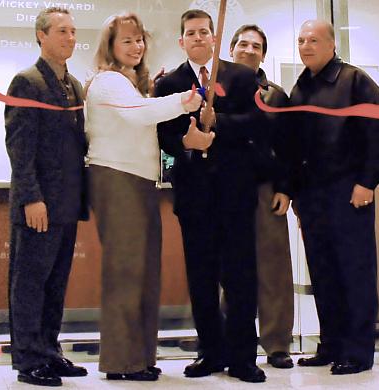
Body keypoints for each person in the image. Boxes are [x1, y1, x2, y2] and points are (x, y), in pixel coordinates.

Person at [85, 12, 201, 382]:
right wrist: (184, 100)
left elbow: (143, 109)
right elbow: (139, 116)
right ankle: (122, 361)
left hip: (137, 183)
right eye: (127, 41)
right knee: (126, 274)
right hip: (117, 180)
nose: (136, 47)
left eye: (139, 40)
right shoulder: (107, 82)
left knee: (145, 274)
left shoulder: (131, 83)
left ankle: (140, 356)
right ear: (111, 46)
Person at [155, 9, 265, 383]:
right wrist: (185, 142)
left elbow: (257, 124)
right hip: (195, 197)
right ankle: (210, 352)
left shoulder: (242, 76)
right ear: (181, 40)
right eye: (191, 33)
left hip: (235, 194)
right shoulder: (168, 82)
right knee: (201, 278)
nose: (199, 37)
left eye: (204, 31)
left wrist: (219, 123)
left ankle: (243, 358)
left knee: (240, 278)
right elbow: (162, 135)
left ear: (214, 37)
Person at [290, 20, 379, 374]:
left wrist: (366, 182)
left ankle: (356, 352)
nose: (306, 46)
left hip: (350, 193)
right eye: (302, 40)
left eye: (314, 40)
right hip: (313, 197)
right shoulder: (301, 87)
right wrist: (295, 193)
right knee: (323, 273)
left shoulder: (356, 82)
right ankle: (331, 344)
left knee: (354, 273)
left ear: (332, 45)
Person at [5, 7, 89, 387]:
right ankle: (28, 360)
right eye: (61, 31)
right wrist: (30, 197)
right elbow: (20, 148)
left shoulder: (73, 84)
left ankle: (49, 351)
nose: (70, 37)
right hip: (38, 204)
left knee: (55, 283)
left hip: (67, 203)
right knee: (30, 284)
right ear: (41, 35)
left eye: (72, 31)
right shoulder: (26, 82)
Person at [229, 24, 294, 369]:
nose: (249, 49)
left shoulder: (277, 95)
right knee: (231, 270)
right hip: (227, 191)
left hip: (266, 189)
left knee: (273, 269)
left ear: (263, 54)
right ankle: (232, 343)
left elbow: (288, 147)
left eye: (256, 45)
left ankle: (277, 344)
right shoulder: (215, 89)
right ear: (231, 48)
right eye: (242, 43)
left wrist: (285, 187)